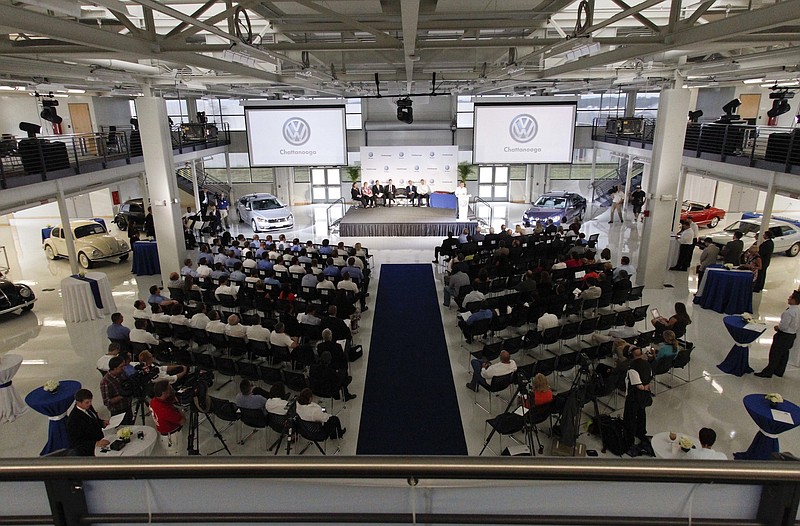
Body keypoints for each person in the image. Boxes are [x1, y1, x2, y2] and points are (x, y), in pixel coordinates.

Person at [755, 290, 800, 378]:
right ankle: (779, 370)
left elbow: (784, 326)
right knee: (784, 353)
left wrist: (777, 327)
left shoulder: (789, 312)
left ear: (794, 300)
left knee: (775, 353)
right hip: (792, 335)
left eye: (790, 298)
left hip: (784, 335)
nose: (788, 298)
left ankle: (768, 372)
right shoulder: (798, 310)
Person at [623, 347, 652, 453]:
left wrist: (643, 387)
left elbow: (637, 385)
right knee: (641, 413)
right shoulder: (647, 364)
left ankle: (629, 439)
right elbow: (649, 379)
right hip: (644, 396)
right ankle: (641, 432)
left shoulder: (632, 368)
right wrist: (646, 387)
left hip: (634, 396)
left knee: (630, 417)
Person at [67, 389, 109, 456]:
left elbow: (93, 419)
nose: (90, 404)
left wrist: (102, 423)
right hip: (89, 451)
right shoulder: (74, 420)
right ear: (78, 402)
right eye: (87, 402)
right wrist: (96, 443)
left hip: (100, 440)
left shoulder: (87, 406)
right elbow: (77, 442)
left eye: (90, 401)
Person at [149, 380, 185, 455]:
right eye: (169, 388)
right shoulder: (164, 410)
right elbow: (182, 421)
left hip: (164, 436)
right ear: (164, 392)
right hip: (173, 437)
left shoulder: (153, 402)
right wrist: (181, 410)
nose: (171, 388)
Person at [100, 356, 132, 425]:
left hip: (128, 406)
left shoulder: (122, 373)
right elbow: (107, 402)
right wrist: (122, 395)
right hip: (118, 411)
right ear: (114, 368)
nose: (123, 368)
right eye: (121, 366)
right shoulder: (105, 382)